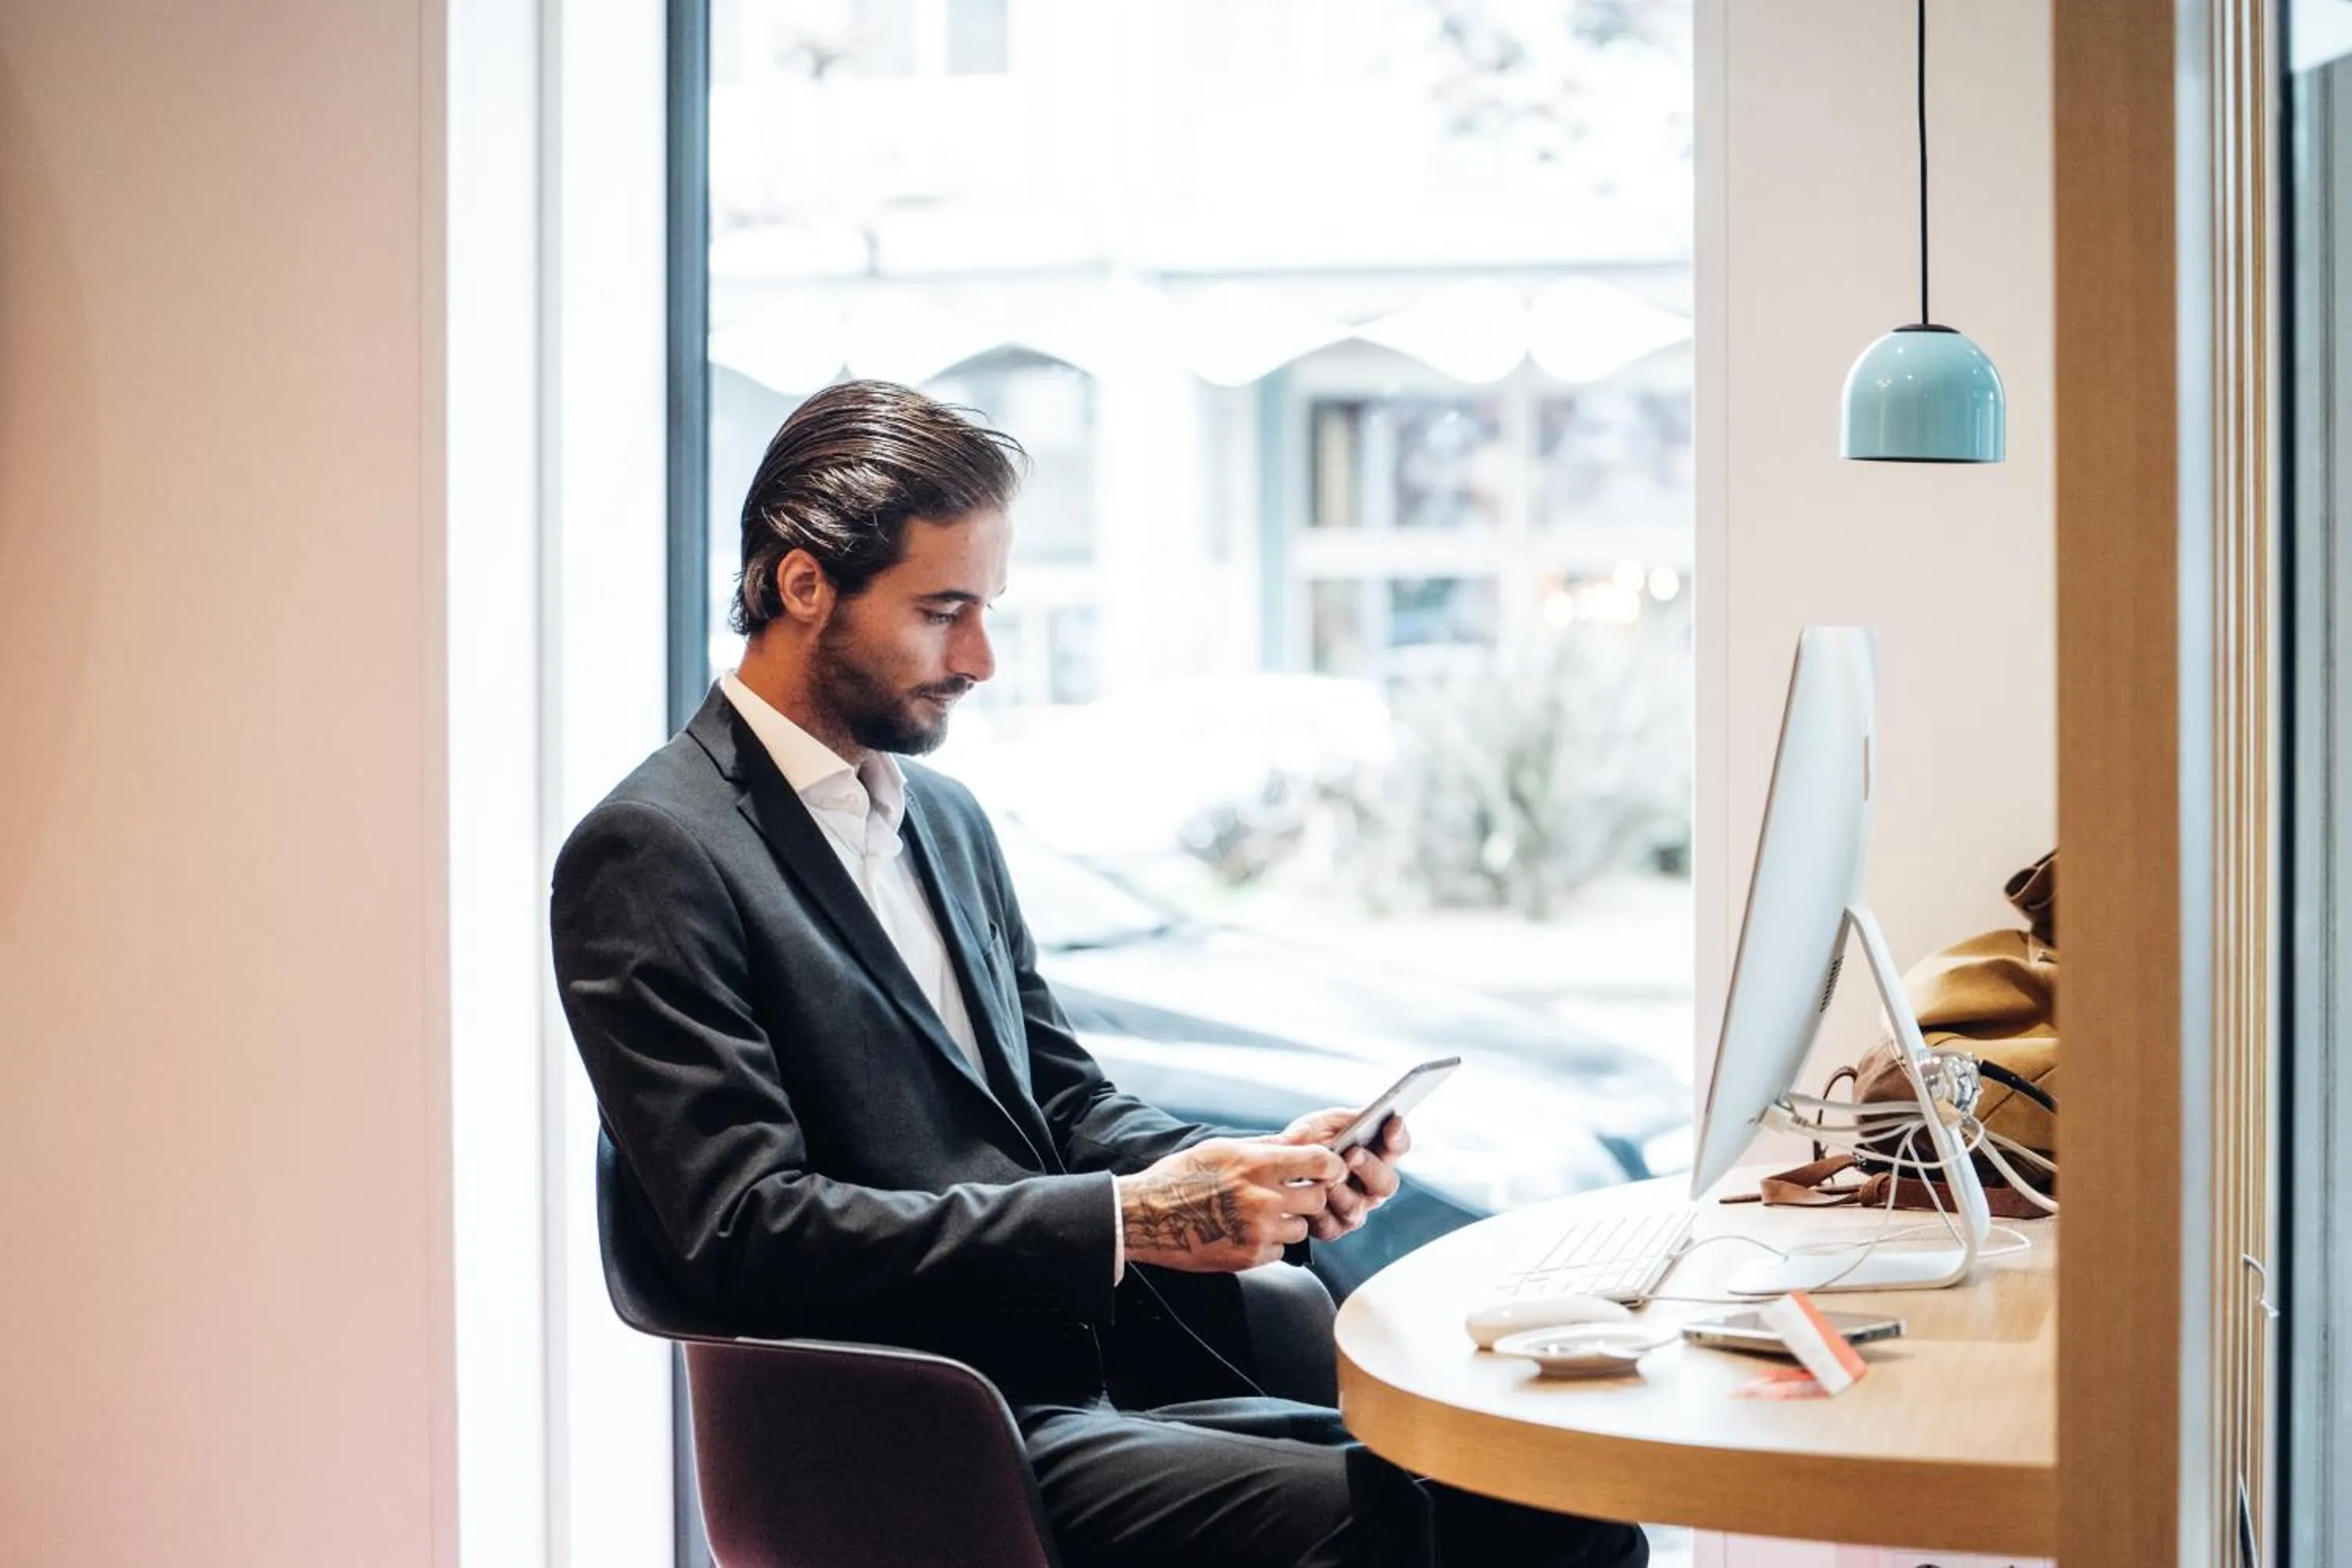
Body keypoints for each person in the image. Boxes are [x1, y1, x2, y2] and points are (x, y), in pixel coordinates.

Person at [550, 379, 1648, 1568]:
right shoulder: (655, 853)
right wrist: (1126, 1225)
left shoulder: (948, 824)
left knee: (1554, 1505)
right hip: (932, 1428)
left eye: (990, 609)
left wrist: (1249, 1176)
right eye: (942, 610)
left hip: (1104, 1378)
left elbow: (1063, 1101)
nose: (978, 658)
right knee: (1473, 1531)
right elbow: (748, 1233)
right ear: (804, 583)